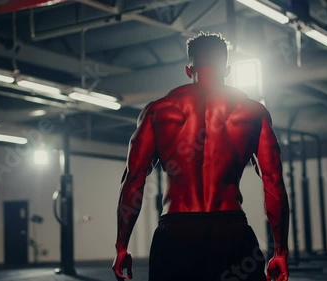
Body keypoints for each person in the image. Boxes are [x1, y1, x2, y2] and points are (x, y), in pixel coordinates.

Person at [112, 32, 289, 281]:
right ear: (226, 69)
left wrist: (121, 246)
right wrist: (281, 251)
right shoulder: (252, 112)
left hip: (176, 234)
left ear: (188, 69)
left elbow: (133, 179)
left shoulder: (158, 111)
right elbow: (273, 181)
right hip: (231, 232)